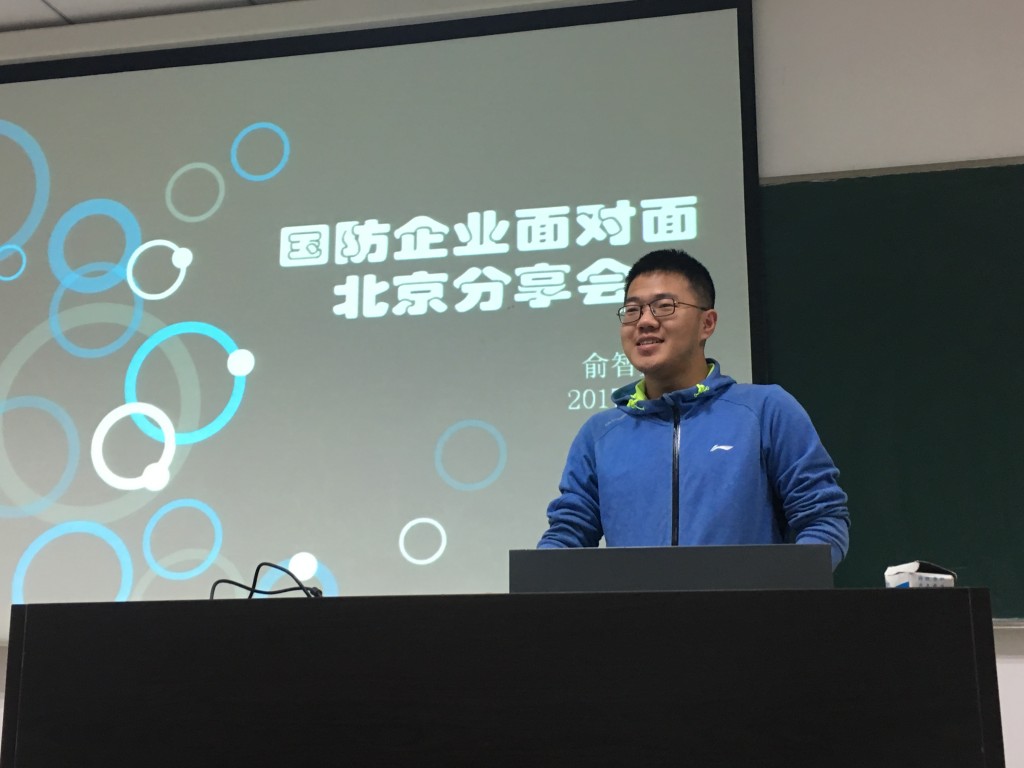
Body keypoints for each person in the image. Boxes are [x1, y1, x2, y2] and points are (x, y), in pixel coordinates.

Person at [538, 248, 850, 568]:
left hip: (754, 601)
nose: (645, 321)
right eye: (632, 310)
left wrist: (779, 586)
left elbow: (822, 519)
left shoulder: (766, 410)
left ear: (707, 323)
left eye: (664, 306)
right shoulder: (600, 433)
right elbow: (568, 534)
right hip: (633, 604)